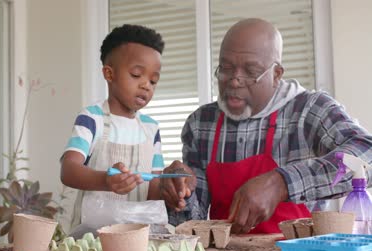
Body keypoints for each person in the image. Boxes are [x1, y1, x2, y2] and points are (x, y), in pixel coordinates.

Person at [160, 18, 372, 234]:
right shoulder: (201, 123)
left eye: (251, 71)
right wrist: (179, 193)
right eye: (226, 68)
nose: (234, 80)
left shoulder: (309, 111)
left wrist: (282, 182)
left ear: (276, 74)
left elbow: (367, 155)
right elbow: (192, 223)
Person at [59, 24, 166, 233]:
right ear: (109, 74)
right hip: (89, 237)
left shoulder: (151, 129)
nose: (146, 85)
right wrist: (106, 181)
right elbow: (68, 170)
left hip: (135, 236)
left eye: (153, 81)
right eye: (137, 75)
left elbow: (153, 187)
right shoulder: (92, 118)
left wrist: (173, 190)